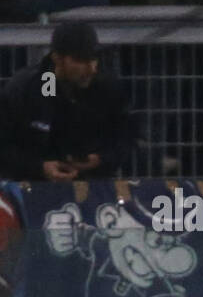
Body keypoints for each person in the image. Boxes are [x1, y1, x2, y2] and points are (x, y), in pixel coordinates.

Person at [0, 22, 135, 183]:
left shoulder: (106, 88)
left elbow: (126, 138)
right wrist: (40, 167)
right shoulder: (26, 89)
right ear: (57, 58)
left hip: (93, 189)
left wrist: (100, 159)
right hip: (33, 190)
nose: (91, 68)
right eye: (81, 61)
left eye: (93, 59)